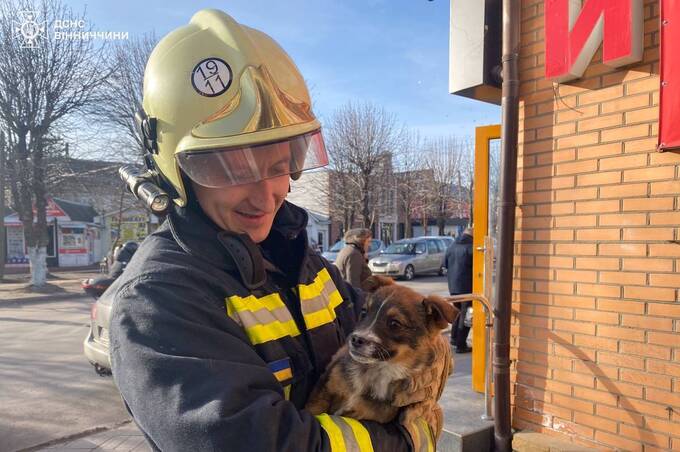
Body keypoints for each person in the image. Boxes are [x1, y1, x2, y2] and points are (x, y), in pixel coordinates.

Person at [106, 9, 447, 452]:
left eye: (280, 165)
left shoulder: (310, 270)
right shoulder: (159, 300)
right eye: (230, 169)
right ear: (176, 173)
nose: (266, 195)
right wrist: (403, 441)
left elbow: (393, 345)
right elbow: (253, 440)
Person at [444, 227, 473, 353]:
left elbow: (445, 264)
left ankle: (454, 338)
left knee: (457, 312)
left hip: (453, 286)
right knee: (466, 315)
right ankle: (461, 344)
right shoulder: (472, 247)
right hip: (467, 286)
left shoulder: (451, 246)